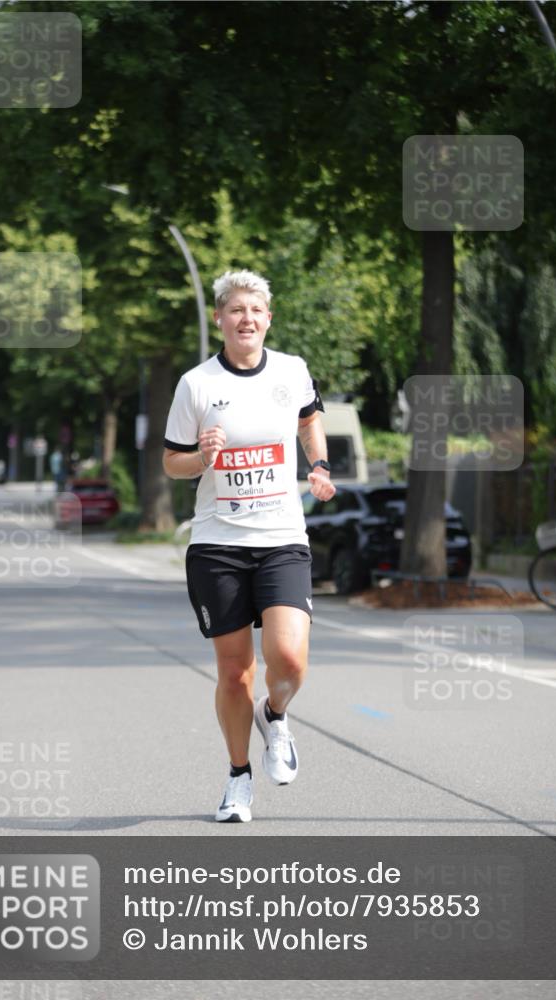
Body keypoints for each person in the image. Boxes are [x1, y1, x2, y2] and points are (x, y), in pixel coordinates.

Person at [163, 269, 336, 823]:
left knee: (289, 659)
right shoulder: (196, 385)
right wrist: (203, 458)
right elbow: (172, 463)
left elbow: (310, 420)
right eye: (236, 310)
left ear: (268, 318)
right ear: (220, 318)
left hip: (283, 537)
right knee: (234, 671)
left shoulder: (291, 371)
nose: (246, 319)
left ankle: (275, 713)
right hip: (218, 545)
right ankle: (238, 779)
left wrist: (320, 466)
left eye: (255, 311)